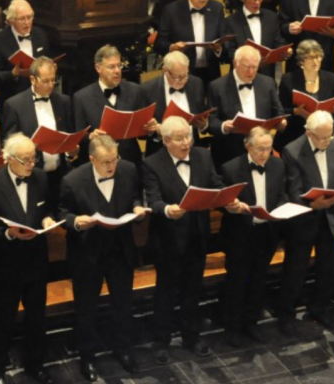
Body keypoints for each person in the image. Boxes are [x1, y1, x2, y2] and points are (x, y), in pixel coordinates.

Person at [142, 117, 235, 363]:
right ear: (166, 140)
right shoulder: (152, 163)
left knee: (193, 291)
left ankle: (191, 336)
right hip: (168, 240)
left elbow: (214, 185)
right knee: (166, 293)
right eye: (180, 139)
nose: (186, 143)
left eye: (189, 137)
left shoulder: (203, 156)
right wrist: (167, 210)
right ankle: (161, 341)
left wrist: (228, 200)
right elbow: (153, 200)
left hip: (197, 236)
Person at [57, 135, 146, 378]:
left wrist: (137, 207)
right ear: (91, 159)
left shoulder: (127, 169)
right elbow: (63, 213)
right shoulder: (72, 180)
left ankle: (123, 350)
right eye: (105, 162)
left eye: (114, 160)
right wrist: (76, 222)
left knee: (123, 304)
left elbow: (135, 195)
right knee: (86, 309)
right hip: (87, 253)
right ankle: (87, 358)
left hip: (120, 250)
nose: (111, 166)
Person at [0, 134, 58, 384]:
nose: (31, 164)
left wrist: (47, 220)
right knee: (1, 321)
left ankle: (36, 365)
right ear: (8, 159)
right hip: (5, 265)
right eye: (25, 160)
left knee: (36, 320)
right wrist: (9, 234)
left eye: (34, 158)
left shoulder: (41, 178)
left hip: (35, 262)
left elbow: (49, 209)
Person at [279, 111, 334, 329]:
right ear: (308, 133)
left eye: (329, 136)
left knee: (328, 268)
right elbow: (293, 191)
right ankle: (286, 315)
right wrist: (312, 204)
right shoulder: (292, 150)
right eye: (321, 138)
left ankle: (320, 309)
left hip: (330, 216)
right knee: (296, 269)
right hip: (304, 219)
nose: (326, 142)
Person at [219, 127, 287, 346]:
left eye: (268, 149)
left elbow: (282, 194)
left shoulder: (278, 164)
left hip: (266, 234)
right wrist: (231, 206)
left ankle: (251, 323)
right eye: (259, 149)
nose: (264, 154)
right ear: (247, 146)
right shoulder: (230, 168)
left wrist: (283, 209)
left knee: (258, 281)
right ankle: (232, 328)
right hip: (240, 235)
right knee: (237, 283)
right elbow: (221, 201)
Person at [0, 56, 75, 214]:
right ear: (33, 79)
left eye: (53, 80)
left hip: (59, 173)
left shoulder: (64, 101)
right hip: (31, 176)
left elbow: (68, 134)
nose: (50, 85)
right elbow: (10, 145)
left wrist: (71, 152)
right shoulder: (14, 105)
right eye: (45, 81)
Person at [72, 45, 155, 167]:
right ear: (98, 68)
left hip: (131, 162)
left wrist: (150, 129)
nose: (117, 71)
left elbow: (143, 136)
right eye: (111, 67)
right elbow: (78, 136)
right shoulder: (81, 98)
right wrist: (90, 136)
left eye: (119, 65)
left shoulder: (135, 90)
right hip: (99, 164)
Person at [208, 46, 285, 164]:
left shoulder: (267, 83)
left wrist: (281, 122)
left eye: (254, 67)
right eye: (246, 67)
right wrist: (223, 126)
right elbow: (211, 121)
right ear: (235, 63)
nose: (251, 72)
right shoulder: (217, 86)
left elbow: (278, 111)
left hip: (262, 151)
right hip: (230, 152)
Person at [156, 0, 229, 88]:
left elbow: (223, 37)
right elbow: (159, 44)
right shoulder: (171, 11)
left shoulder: (216, 8)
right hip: (182, 73)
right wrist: (172, 47)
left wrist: (219, 48)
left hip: (211, 71)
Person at [0, 0, 55, 109]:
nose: (27, 22)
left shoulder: (41, 35)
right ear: (11, 20)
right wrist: (13, 74)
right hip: (12, 102)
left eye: (29, 17)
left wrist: (51, 68)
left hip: (42, 99)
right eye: (22, 19)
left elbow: (48, 59)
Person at [140, 52, 210, 152]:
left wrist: (204, 125)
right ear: (165, 70)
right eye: (177, 77)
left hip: (192, 149)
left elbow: (202, 113)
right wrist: (155, 129)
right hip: (161, 153)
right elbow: (142, 131)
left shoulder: (196, 83)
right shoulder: (147, 89)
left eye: (185, 75)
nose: (182, 80)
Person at [278, 39, 334, 147]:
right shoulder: (288, 80)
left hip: (324, 134)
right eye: (311, 57)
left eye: (318, 56)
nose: (316, 61)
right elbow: (280, 111)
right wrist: (296, 111)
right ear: (301, 60)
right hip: (296, 133)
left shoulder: (332, 79)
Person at [224, 0, 290, 79]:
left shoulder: (271, 17)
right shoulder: (231, 21)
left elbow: (278, 41)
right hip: (242, 75)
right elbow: (230, 50)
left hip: (267, 75)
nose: (258, 2)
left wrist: (284, 51)